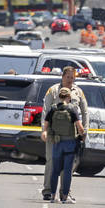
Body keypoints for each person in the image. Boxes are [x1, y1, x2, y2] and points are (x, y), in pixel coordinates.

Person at [41, 66, 88, 201]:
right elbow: (46, 112)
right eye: (68, 77)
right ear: (62, 76)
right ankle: (48, 191)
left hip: (70, 137)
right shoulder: (54, 90)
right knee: (51, 162)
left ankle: (65, 192)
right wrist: (44, 131)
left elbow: (84, 112)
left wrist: (84, 131)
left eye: (72, 78)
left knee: (68, 166)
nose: (70, 80)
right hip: (54, 136)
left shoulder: (78, 92)